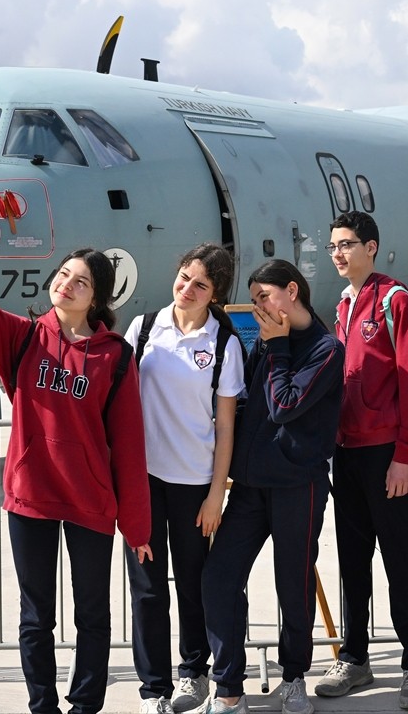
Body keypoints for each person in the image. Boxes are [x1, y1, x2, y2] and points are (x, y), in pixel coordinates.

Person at [0, 195, 151, 714]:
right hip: (31, 498)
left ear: (96, 296)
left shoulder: (115, 357)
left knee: (93, 616)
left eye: (80, 281)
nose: (66, 284)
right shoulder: (22, 339)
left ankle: (85, 706)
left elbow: (128, 445)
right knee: (36, 615)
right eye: (63, 274)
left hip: (89, 502)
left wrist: (139, 526)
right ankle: (42, 706)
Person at [200, 259, 344, 714]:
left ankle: (295, 677)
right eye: (255, 298)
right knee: (219, 577)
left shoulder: (325, 348)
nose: (259, 306)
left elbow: (285, 405)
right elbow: (249, 400)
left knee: (294, 584)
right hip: (249, 484)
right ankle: (227, 686)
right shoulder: (266, 341)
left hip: (296, 485)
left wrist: (278, 346)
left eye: (265, 296)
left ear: (293, 290)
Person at [316, 212, 408, 710]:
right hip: (347, 454)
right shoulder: (343, 305)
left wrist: (405, 454)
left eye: (347, 245)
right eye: (333, 246)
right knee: (352, 559)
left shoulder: (394, 300)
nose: (339, 253)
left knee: (402, 558)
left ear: (372, 247)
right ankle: (356, 656)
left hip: (388, 454)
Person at [123, 245, 246, 714]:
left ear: (215, 295)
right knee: (148, 589)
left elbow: (226, 426)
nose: (186, 289)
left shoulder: (223, 344)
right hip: (145, 482)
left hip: (195, 483)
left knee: (193, 584)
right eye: (183, 277)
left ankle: (192, 672)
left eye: (201, 284)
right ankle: (153, 690)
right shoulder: (144, 328)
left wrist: (217, 494)